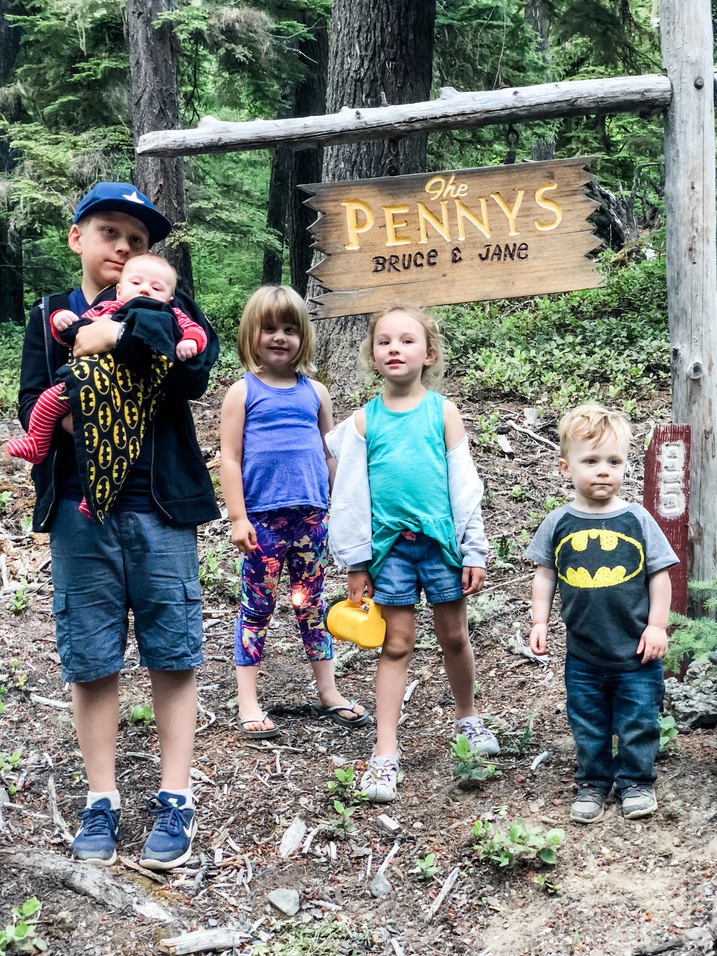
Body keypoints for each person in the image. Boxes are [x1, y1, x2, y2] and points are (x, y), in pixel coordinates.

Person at [16, 182, 220, 869]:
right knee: (91, 655)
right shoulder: (49, 311)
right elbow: (31, 402)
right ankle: (100, 798)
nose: (124, 247)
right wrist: (89, 347)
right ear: (78, 238)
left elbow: (192, 376)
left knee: (173, 649)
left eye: (137, 239)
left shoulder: (168, 301)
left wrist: (117, 332)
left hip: (161, 506)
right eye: (110, 232)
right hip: (80, 510)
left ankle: (175, 795)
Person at [327, 305, 496, 803]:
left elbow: (464, 486)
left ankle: (468, 718)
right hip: (390, 552)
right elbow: (351, 496)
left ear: (429, 353)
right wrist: (356, 563)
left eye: (406, 340)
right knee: (396, 644)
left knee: (453, 635)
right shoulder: (363, 421)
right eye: (384, 341)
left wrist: (474, 549)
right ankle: (385, 751)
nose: (395, 348)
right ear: (372, 355)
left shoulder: (442, 412)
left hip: (442, 546)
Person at [220, 285, 369, 740]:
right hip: (262, 521)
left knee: (311, 605)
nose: (279, 337)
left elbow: (329, 456)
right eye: (269, 329)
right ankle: (248, 699)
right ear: (252, 335)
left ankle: (328, 690)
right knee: (258, 605)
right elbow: (229, 457)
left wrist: (337, 506)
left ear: (303, 336)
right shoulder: (242, 392)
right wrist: (238, 517)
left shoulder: (316, 393)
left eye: (289, 329)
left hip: (311, 519)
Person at [526, 404, 678, 824]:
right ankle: (593, 782)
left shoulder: (637, 519)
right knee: (588, 720)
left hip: (637, 651)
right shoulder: (558, 522)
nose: (603, 471)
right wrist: (539, 621)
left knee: (639, 719)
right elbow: (544, 575)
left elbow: (660, 576)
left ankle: (635, 781)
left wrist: (657, 625)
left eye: (614, 461)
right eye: (590, 461)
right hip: (584, 653)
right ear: (565, 467)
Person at [7, 254, 207, 516]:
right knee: (48, 400)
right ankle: (36, 441)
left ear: (169, 297)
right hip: (82, 395)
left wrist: (187, 342)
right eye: (109, 231)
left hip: (138, 420)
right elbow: (73, 333)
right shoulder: (103, 310)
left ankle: (94, 501)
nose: (146, 289)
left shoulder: (170, 313)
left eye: (156, 288)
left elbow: (194, 361)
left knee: (119, 446)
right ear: (120, 290)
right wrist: (61, 320)